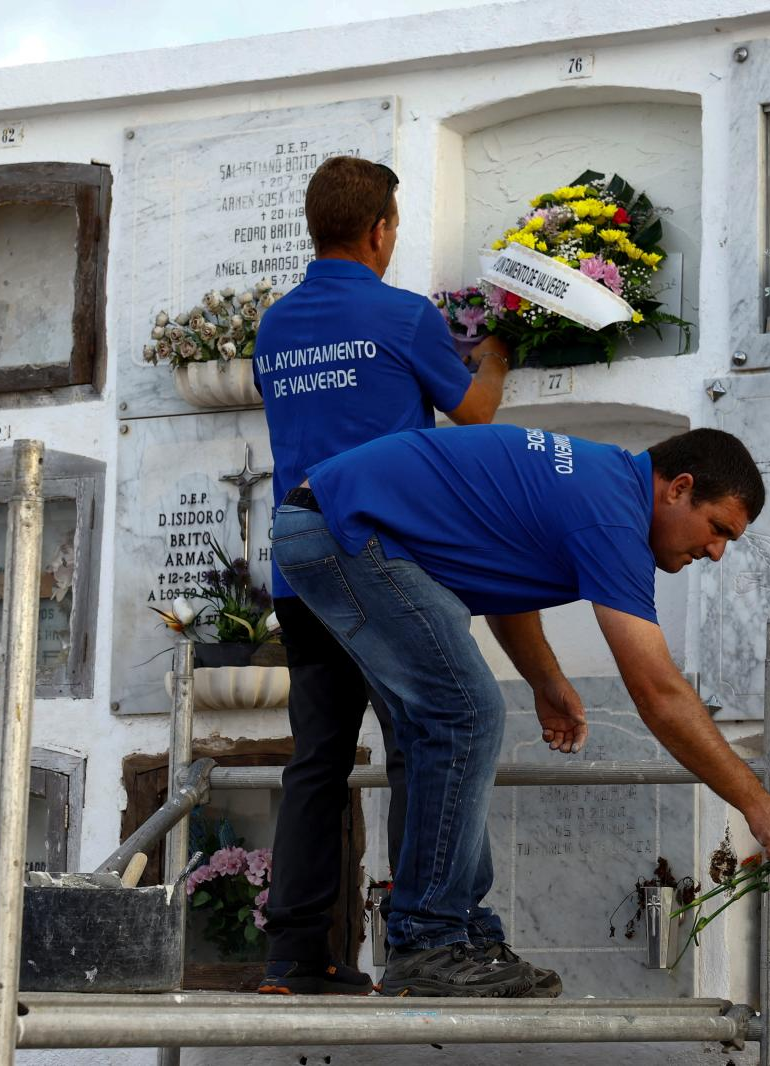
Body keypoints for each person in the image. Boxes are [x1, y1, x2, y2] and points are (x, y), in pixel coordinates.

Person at [271, 423, 770, 998]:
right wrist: (756, 804)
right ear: (678, 488)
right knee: (466, 712)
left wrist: (545, 678)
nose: (716, 552)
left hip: (335, 521)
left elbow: (505, 571)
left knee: (444, 721)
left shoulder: (601, 482)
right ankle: (430, 940)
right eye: (718, 529)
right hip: (341, 527)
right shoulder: (612, 516)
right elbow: (658, 692)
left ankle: (462, 935)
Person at [252, 155, 511, 996]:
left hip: (300, 576)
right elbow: (471, 416)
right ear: (380, 230)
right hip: (389, 568)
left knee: (317, 762)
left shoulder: (274, 327)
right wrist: (500, 352)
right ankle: (422, 941)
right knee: (423, 747)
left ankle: (295, 956)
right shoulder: (403, 318)